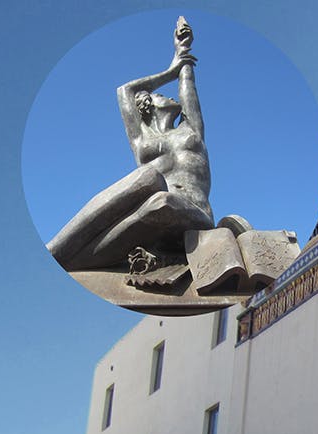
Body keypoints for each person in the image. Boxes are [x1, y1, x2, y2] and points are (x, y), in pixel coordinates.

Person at [48, 17, 215, 271]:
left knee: (161, 198)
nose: (168, 94)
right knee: (151, 185)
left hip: (193, 213)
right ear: (147, 108)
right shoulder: (143, 140)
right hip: (153, 209)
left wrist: (181, 50)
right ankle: (60, 252)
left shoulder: (189, 130)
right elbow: (124, 91)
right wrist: (167, 73)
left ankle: (65, 257)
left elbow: (187, 82)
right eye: (159, 94)